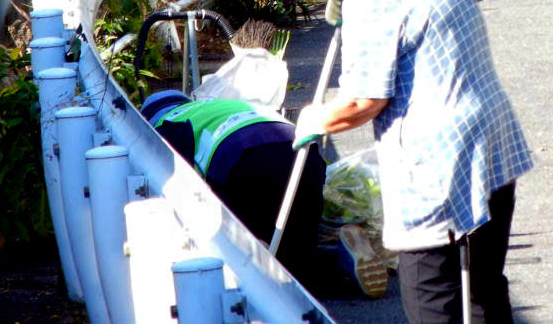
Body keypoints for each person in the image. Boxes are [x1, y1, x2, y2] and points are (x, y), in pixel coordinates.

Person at [267, 0, 534, 324]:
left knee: (432, 300)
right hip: (492, 141)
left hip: (434, 166)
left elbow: (362, 100)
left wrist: (316, 118)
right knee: (484, 290)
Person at [139, 91, 388, 300]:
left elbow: (174, 190)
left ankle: (262, 256)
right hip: (305, 158)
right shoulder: (220, 105)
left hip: (241, 162)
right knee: (299, 249)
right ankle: (348, 260)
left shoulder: (163, 126)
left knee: (274, 269)